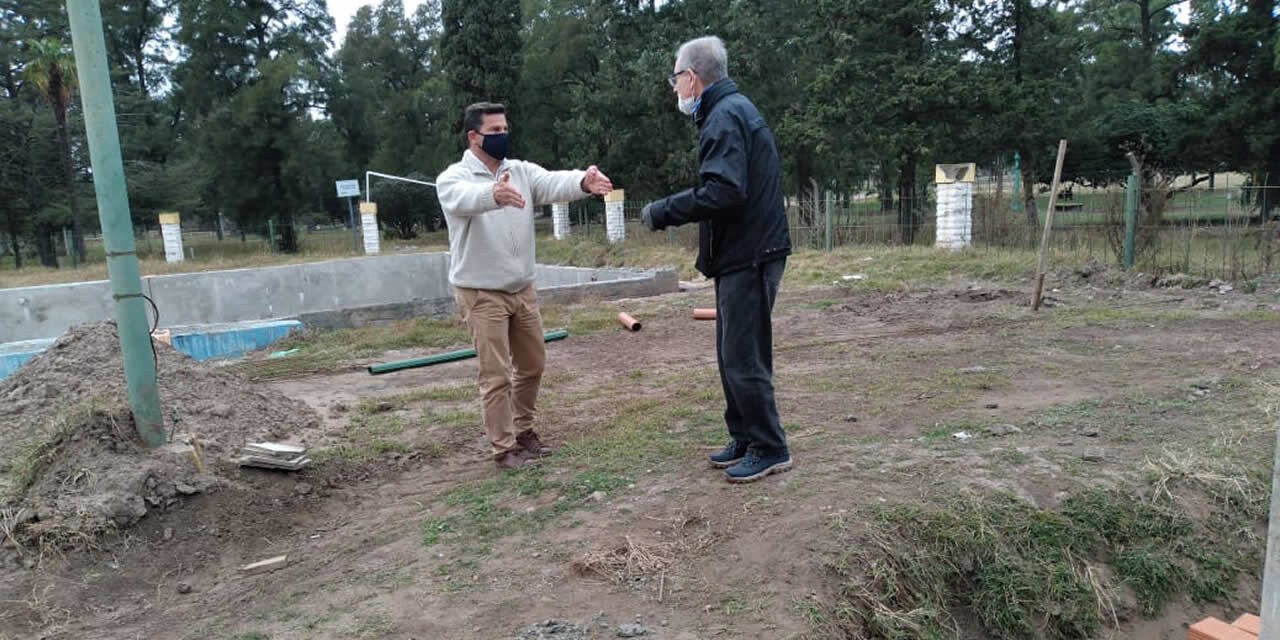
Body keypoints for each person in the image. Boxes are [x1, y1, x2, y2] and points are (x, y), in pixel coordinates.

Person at [640, 36, 793, 484]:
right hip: (741, 253)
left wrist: (664, 211)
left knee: (744, 356)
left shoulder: (725, 116)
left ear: (692, 77)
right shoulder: (728, 111)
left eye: (675, 79)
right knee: (731, 354)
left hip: (751, 253)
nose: (674, 90)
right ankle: (744, 436)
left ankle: (770, 447)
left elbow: (724, 191)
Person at [436, 101, 613, 470]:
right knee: (496, 373)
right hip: (481, 292)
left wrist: (583, 181)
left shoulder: (519, 171)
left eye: (505, 129)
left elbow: (551, 182)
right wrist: (492, 196)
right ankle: (503, 449)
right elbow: (463, 200)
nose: (503, 136)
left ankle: (524, 430)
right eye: (495, 131)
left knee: (532, 364)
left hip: (522, 288)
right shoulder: (453, 178)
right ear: (473, 136)